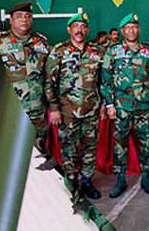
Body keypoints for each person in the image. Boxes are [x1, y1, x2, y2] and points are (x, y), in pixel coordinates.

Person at [45, 12, 103, 200]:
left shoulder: (96, 51)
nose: (80, 30)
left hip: (92, 109)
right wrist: (54, 108)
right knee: (68, 146)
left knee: (90, 147)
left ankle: (86, 180)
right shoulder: (59, 51)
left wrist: (104, 104)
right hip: (67, 110)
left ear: (87, 30)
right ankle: (71, 179)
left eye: (83, 27)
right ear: (69, 29)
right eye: (76, 26)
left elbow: (102, 80)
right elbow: (49, 82)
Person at [101, 13, 149, 197]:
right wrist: (109, 104)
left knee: (145, 143)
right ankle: (120, 179)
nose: (132, 30)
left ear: (139, 29)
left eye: (134, 26)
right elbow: (105, 79)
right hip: (121, 108)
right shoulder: (113, 51)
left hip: (143, 107)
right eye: (128, 27)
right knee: (120, 144)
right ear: (122, 31)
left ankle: (146, 176)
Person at [0, 2, 51, 154]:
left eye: (28, 16)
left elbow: (51, 75)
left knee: (40, 158)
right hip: (11, 113)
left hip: (38, 112)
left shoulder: (42, 42)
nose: (24, 20)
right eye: (19, 17)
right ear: (11, 20)